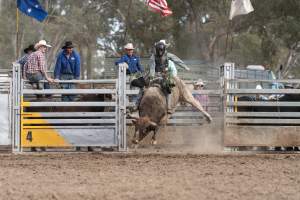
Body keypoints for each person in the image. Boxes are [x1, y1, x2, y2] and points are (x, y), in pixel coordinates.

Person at [148, 40, 189, 113]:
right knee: (142, 85)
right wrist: (152, 76)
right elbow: (152, 67)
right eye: (159, 50)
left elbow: (177, 60)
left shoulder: (168, 55)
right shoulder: (153, 56)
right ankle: (137, 105)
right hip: (156, 74)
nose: (160, 51)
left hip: (164, 75)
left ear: (164, 49)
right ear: (156, 49)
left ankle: (168, 106)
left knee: (167, 86)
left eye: (161, 50)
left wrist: (185, 67)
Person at [115, 43, 144, 110]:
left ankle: (133, 106)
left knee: (136, 91)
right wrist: (123, 63)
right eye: (128, 50)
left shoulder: (136, 58)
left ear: (132, 50)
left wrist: (141, 72)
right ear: (126, 50)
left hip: (135, 76)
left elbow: (140, 67)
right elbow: (116, 63)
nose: (130, 51)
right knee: (126, 91)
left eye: (131, 50)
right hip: (127, 76)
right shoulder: (124, 57)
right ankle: (127, 107)